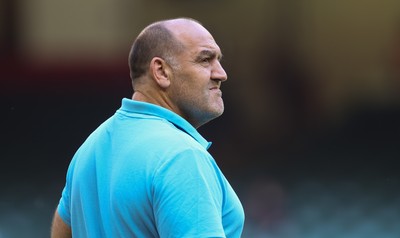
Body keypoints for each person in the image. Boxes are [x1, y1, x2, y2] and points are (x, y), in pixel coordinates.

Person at [51, 17, 245, 238]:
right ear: (161, 71)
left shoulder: (88, 150)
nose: (221, 74)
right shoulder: (181, 156)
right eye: (205, 60)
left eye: (219, 60)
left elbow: (62, 230)